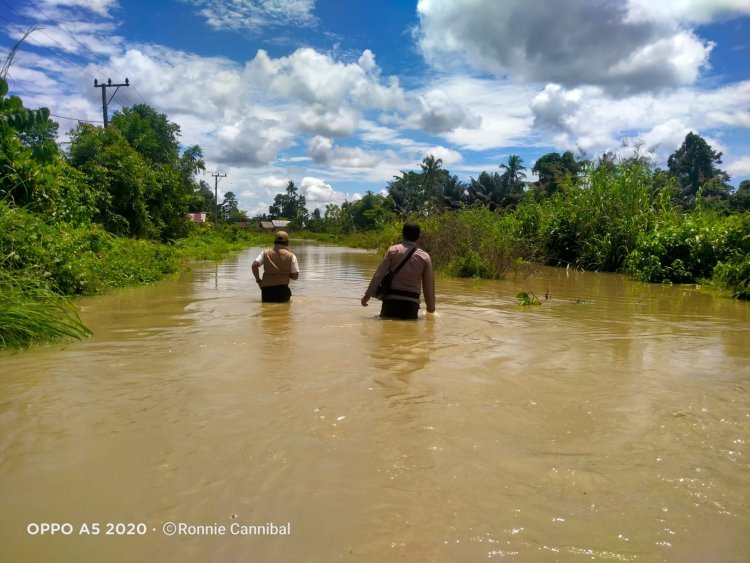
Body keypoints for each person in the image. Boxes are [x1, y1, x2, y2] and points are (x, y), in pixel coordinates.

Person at [361, 222, 436, 319]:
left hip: (390, 302)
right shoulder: (425, 257)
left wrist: (367, 296)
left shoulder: (393, 251)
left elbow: (378, 275)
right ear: (419, 236)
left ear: (402, 234)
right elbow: (428, 285)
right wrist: (431, 308)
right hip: (411, 305)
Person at [252, 231, 299, 302]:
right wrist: (285, 273)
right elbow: (295, 277)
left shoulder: (265, 253)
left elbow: (254, 265)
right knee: (284, 311)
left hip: (266, 289)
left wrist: (258, 281)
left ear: (274, 242)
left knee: (266, 311)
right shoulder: (291, 256)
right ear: (287, 242)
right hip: (282, 289)